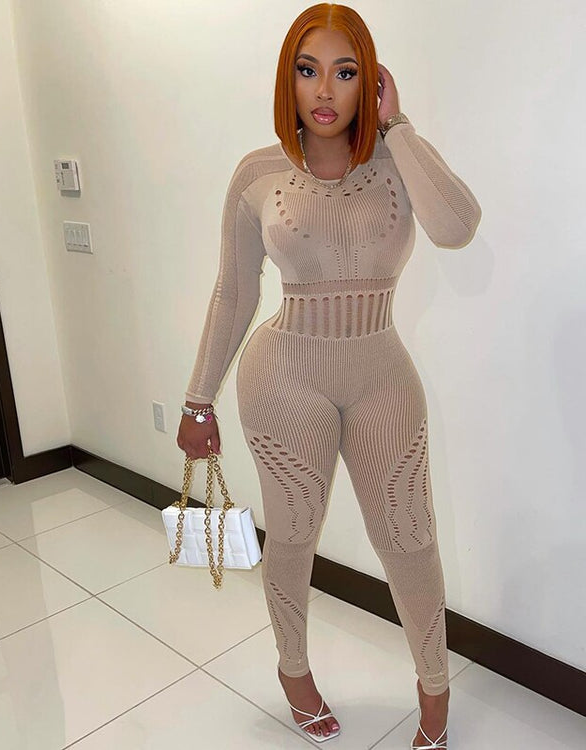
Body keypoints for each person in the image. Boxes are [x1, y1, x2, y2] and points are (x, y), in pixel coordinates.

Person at [177, 4, 481, 747]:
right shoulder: (257, 174)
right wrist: (197, 399)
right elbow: (234, 293)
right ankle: (294, 672)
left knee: (410, 538)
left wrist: (398, 126)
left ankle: (434, 687)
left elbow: (457, 227)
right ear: (287, 79)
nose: (324, 90)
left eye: (346, 72)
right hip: (284, 379)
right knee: (293, 535)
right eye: (307, 70)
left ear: (369, 81)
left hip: (382, 376)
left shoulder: (396, 161)